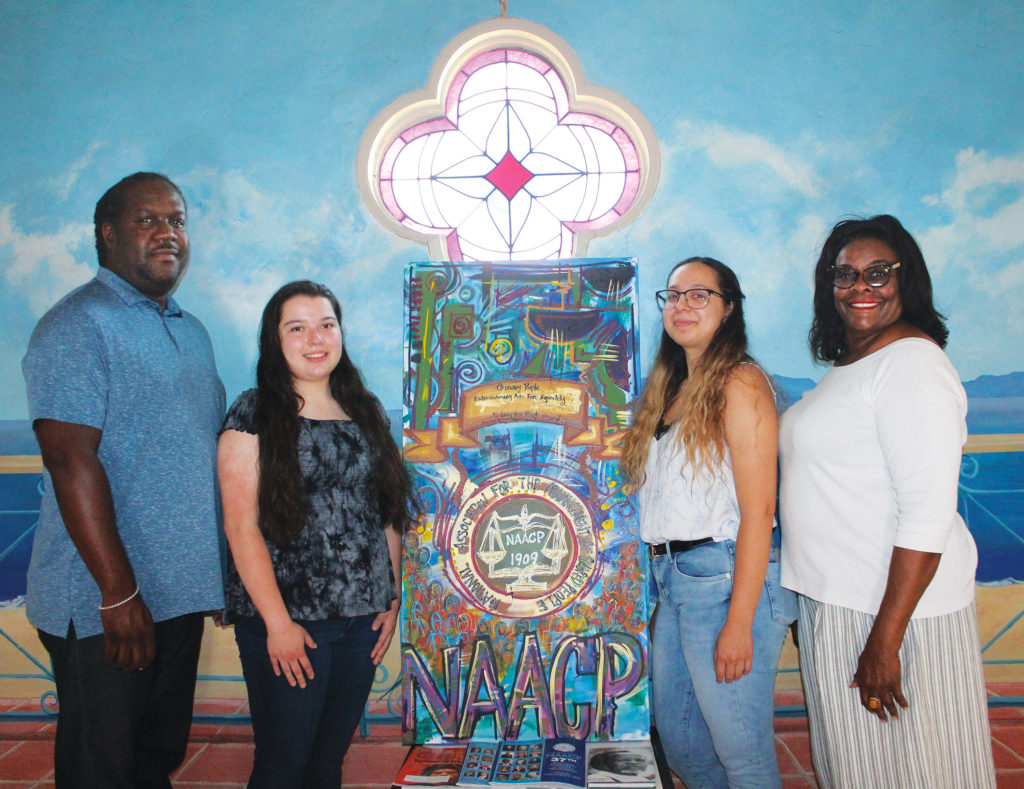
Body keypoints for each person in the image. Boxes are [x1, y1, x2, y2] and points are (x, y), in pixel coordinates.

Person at [21, 172, 226, 787]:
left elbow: (195, 456)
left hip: (178, 596)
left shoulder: (190, 330)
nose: (169, 233)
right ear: (107, 234)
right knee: (101, 770)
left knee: (153, 762)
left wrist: (216, 571)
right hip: (107, 604)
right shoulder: (77, 325)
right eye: (148, 220)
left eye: (178, 220)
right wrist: (118, 593)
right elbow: (68, 460)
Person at [779, 215, 996, 788]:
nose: (860, 287)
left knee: (921, 769)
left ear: (908, 280)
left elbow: (926, 515)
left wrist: (884, 640)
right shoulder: (855, 366)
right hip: (843, 604)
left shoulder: (912, 365)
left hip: (894, 615)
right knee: (858, 770)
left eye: (879, 273)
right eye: (844, 274)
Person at [218, 280, 415, 787]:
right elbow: (241, 527)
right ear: (274, 340)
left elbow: (387, 511)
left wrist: (389, 599)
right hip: (290, 625)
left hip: (361, 622)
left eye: (326, 324)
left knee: (327, 763)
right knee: (283, 765)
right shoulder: (254, 411)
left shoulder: (366, 409)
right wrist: (278, 624)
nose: (315, 338)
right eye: (297, 327)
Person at [622, 257, 796, 788]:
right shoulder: (670, 390)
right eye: (673, 295)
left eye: (700, 295)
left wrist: (739, 623)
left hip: (724, 581)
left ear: (730, 308)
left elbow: (759, 512)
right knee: (684, 747)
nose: (682, 305)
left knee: (740, 752)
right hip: (674, 582)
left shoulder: (740, 383)